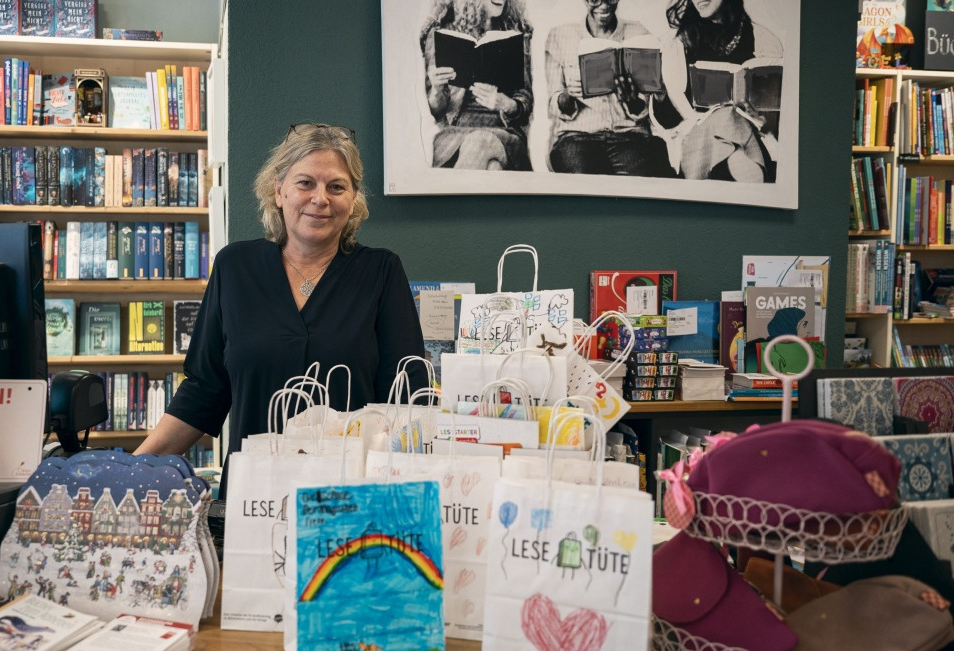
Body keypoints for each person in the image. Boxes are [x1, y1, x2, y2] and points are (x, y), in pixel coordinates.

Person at [135, 123, 427, 482]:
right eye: (305, 183)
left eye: (337, 187)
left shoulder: (381, 272)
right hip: (253, 495)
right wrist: (132, 469)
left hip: (349, 496)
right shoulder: (235, 267)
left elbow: (407, 401)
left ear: (353, 200)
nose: (320, 198)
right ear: (278, 191)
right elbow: (203, 392)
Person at [545, 0, 676, 177]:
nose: (604, 5)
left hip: (629, 135)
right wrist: (567, 97)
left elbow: (647, 105)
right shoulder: (560, 37)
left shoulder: (640, 34)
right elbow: (554, 100)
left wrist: (632, 101)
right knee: (583, 183)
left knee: (637, 184)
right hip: (577, 136)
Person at [663, 0, 783, 181]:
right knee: (726, 114)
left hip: (752, 136)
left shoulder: (764, 40)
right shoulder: (680, 43)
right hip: (700, 142)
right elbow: (676, 115)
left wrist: (761, 117)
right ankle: (749, 183)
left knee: (732, 120)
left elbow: (779, 120)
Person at [420, 0, 533, 170]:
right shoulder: (441, 34)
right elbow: (436, 111)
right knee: (493, 168)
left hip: (506, 135)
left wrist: (506, 104)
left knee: (481, 141)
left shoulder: (514, 34)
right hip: (454, 137)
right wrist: (436, 89)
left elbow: (525, 101)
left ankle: (452, 188)